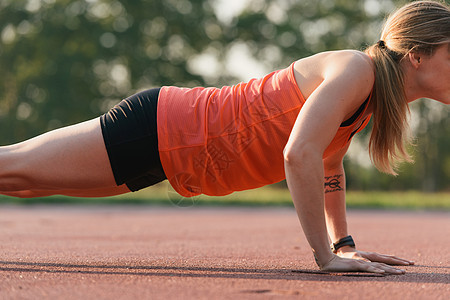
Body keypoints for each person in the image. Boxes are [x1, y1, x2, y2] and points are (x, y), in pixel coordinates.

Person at [0, 1, 448, 274]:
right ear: (416, 56)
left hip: (174, 159)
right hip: (165, 127)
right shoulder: (356, 70)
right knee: (12, 167)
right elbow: (299, 154)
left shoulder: (368, 102)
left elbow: (329, 165)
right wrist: (323, 257)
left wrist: (344, 244)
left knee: (21, 183)